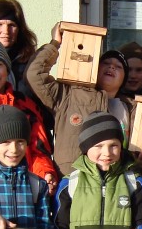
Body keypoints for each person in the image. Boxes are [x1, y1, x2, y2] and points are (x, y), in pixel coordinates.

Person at [26, 30, 132, 178]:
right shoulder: (67, 95)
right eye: (106, 63)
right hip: (70, 181)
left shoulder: (131, 109)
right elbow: (34, 75)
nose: (111, 67)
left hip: (114, 184)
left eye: (118, 66)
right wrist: (55, 43)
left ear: (124, 78)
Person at [0, 34, 57, 193]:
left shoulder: (25, 106)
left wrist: (45, 174)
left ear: (7, 68)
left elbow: (39, 150)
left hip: (25, 189)